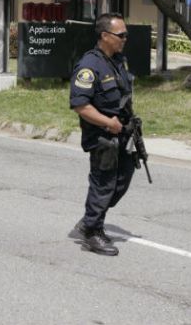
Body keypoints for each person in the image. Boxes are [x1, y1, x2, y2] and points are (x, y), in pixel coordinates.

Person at [69, 13, 135, 256]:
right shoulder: (89, 66)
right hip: (102, 136)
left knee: (122, 180)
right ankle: (92, 232)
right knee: (104, 183)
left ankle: (90, 221)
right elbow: (81, 106)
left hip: (123, 133)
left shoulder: (117, 60)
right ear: (105, 36)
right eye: (121, 35)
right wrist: (108, 123)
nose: (125, 39)